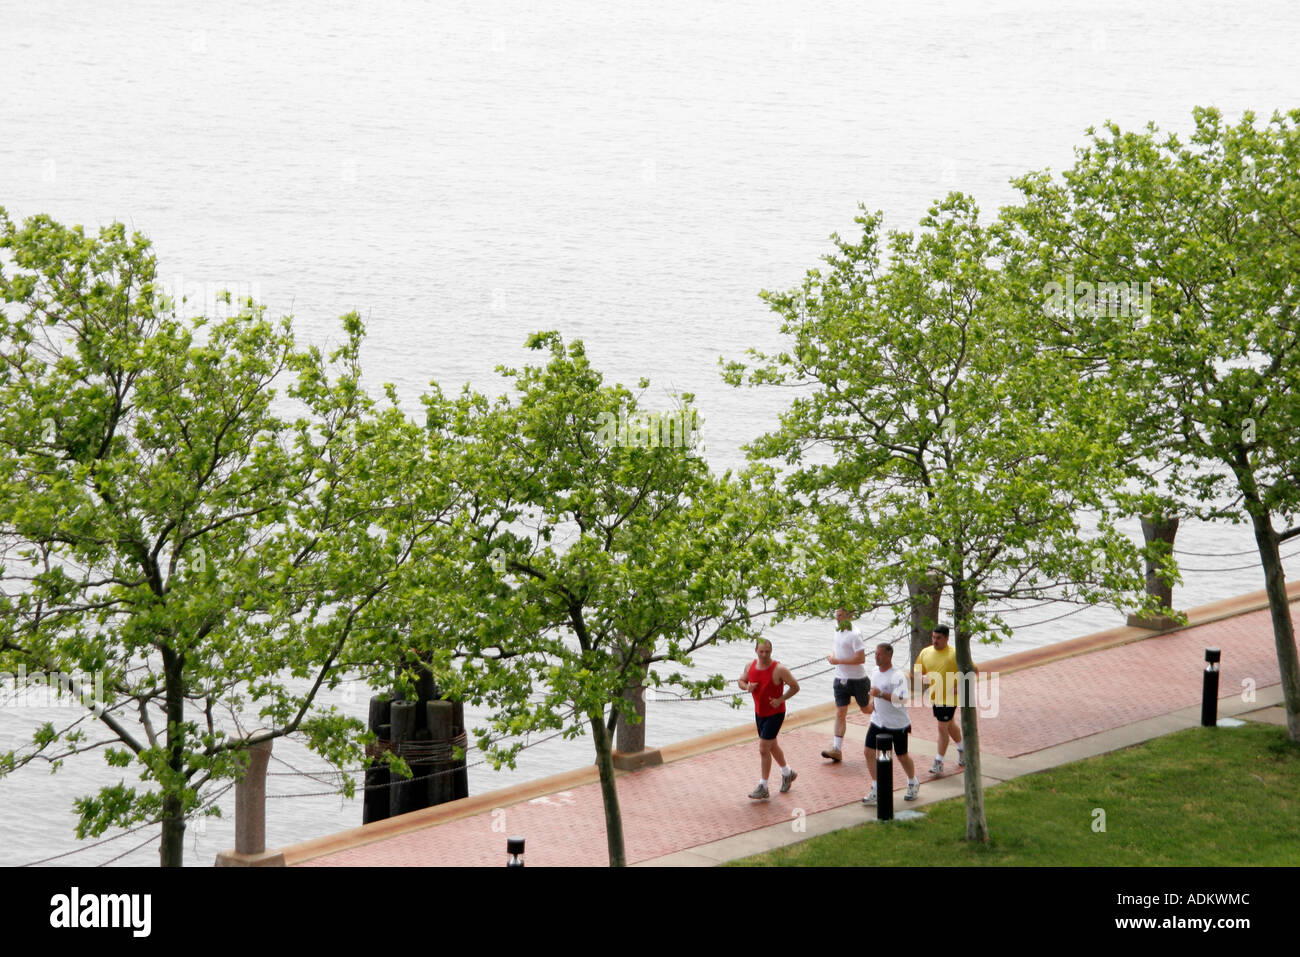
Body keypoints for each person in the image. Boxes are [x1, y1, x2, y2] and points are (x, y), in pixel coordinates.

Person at [738, 638, 800, 800]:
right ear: (756, 651)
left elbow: (795, 686)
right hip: (760, 713)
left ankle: (763, 786)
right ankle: (788, 773)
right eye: (761, 651)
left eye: (767, 651)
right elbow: (741, 681)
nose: (764, 655)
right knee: (772, 746)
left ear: (771, 651)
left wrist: (781, 699)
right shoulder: (749, 666)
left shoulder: (779, 669)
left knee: (763, 749)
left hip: (775, 713)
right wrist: (747, 687)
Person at [862, 642, 920, 805]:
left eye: (879, 654)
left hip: (897, 724)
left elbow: (902, 699)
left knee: (901, 756)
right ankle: (876, 787)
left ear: (889, 656)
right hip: (877, 721)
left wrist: (880, 694)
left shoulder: (898, 676)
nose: (876, 656)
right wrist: (871, 705)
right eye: (875, 654)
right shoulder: (874, 672)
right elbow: (874, 693)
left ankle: (912, 782)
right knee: (868, 752)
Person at [914, 624, 969, 774]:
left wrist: (962, 685)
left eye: (938, 638)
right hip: (935, 697)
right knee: (950, 725)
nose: (935, 640)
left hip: (951, 698)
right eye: (933, 637)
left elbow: (969, 669)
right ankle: (963, 750)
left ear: (946, 638)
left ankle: (938, 761)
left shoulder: (955, 653)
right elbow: (918, 671)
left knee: (942, 727)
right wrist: (922, 678)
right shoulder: (926, 652)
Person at [822, 607, 869, 762]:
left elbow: (861, 658)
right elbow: (838, 650)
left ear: (850, 616)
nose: (838, 618)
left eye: (841, 615)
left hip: (858, 680)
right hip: (840, 679)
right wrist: (833, 657)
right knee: (840, 712)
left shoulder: (855, 634)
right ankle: (836, 749)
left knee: (866, 709)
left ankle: (884, 707)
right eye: (836, 615)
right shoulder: (837, 630)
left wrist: (838, 661)